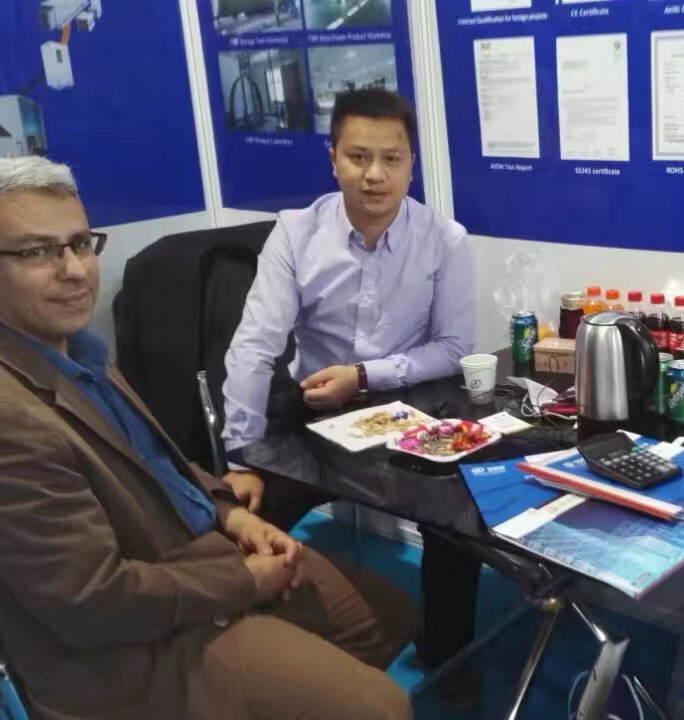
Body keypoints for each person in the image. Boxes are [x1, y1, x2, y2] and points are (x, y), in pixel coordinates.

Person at [0, 156, 416, 720]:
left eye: (81, 243)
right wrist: (242, 582)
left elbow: (149, 462)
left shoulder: (71, 346)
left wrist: (231, 514)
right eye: (37, 252)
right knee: (381, 707)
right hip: (123, 653)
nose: (76, 270)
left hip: (189, 558)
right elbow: (92, 603)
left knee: (387, 616)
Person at [219, 88, 483, 709]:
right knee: (238, 517)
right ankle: (238, 649)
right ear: (333, 158)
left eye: (392, 158)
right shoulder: (295, 233)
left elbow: (453, 347)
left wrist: (365, 376)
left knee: (455, 522)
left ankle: (447, 663)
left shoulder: (444, 240)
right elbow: (254, 347)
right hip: (310, 414)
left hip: (407, 408)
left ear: (412, 164)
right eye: (359, 156)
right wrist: (238, 456)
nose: (375, 175)